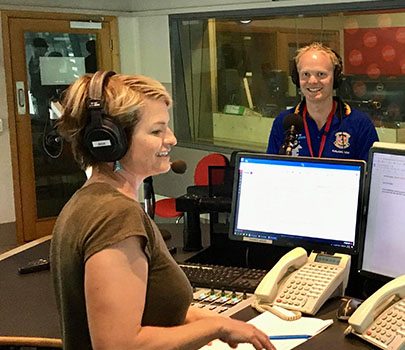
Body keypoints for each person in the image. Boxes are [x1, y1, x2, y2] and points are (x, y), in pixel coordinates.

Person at [51, 71, 275, 350]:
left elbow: (156, 311)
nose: (171, 138)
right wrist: (216, 326)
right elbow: (117, 345)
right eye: (157, 131)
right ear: (111, 140)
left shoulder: (87, 201)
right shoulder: (115, 216)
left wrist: (225, 325)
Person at [266, 42, 378, 161]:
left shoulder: (360, 124)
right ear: (296, 78)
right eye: (306, 74)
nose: (312, 81)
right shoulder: (284, 122)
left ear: (335, 78)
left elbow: (371, 175)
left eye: (321, 74)